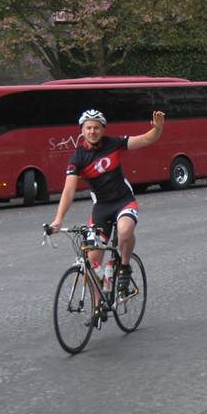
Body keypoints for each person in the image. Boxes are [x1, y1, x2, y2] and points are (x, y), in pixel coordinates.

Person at [49, 108, 165, 298]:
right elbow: (68, 190)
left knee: (125, 231)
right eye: (88, 128)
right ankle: (100, 302)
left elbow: (145, 139)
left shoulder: (113, 143)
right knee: (93, 261)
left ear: (103, 129)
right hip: (101, 208)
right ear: (82, 130)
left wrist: (158, 129)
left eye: (96, 127)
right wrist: (58, 219)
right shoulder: (77, 157)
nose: (92, 131)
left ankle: (125, 268)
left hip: (123, 201)